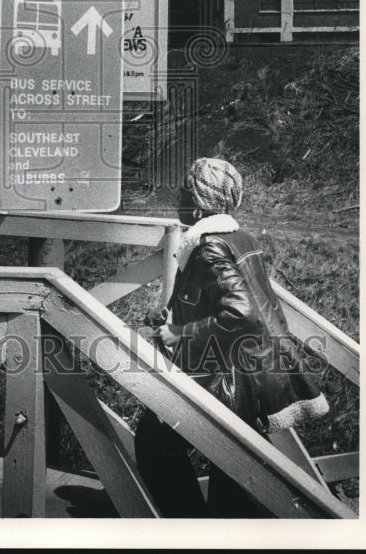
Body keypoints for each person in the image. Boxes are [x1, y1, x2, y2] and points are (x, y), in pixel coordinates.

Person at [134, 157, 329, 518]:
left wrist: (179, 332)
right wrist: (174, 312)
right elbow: (233, 298)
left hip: (227, 377)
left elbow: (241, 312)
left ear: (197, 201)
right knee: (232, 469)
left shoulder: (208, 247)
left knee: (154, 441)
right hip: (254, 369)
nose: (177, 194)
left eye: (184, 188)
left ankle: (192, 528)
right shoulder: (239, 237)